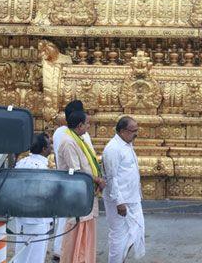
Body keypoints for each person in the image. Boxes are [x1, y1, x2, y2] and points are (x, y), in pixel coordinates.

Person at [56, 110, 105, 263]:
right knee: (76, 231)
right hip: (76, 195)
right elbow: (76, 172)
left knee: (85, 231)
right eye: (87, 123)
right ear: (79, 125)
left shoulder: (78, 139)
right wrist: (97, 179)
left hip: (85, 194)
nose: (89, 126)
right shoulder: (69, 142)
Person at [53, 100, 95, 260]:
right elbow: (82, 162)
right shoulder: (71, 138)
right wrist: (94, 178)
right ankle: (70, 254)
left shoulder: (60, 132)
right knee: (72, 221)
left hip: (66, 179)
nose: (88, 126)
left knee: (66, 219)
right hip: (75, 183)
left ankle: (64, 251)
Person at [102, 116, 146, 263]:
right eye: (133, 131)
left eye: (137, 130)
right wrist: (119, 202)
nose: (136, 134)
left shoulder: (126, 144)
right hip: (120, 202)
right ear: (122, 131)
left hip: (132, 198)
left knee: (135, 232)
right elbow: (112, 178)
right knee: (118, 238)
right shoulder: (113, 149)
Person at [12, 133, 53, 263]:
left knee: (21, 252)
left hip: (21, 215)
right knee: (36, 256)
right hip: (38, 218)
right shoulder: (41, 168)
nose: (51, 147)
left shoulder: (21, 163)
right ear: (44, 149)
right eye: (49, 144)